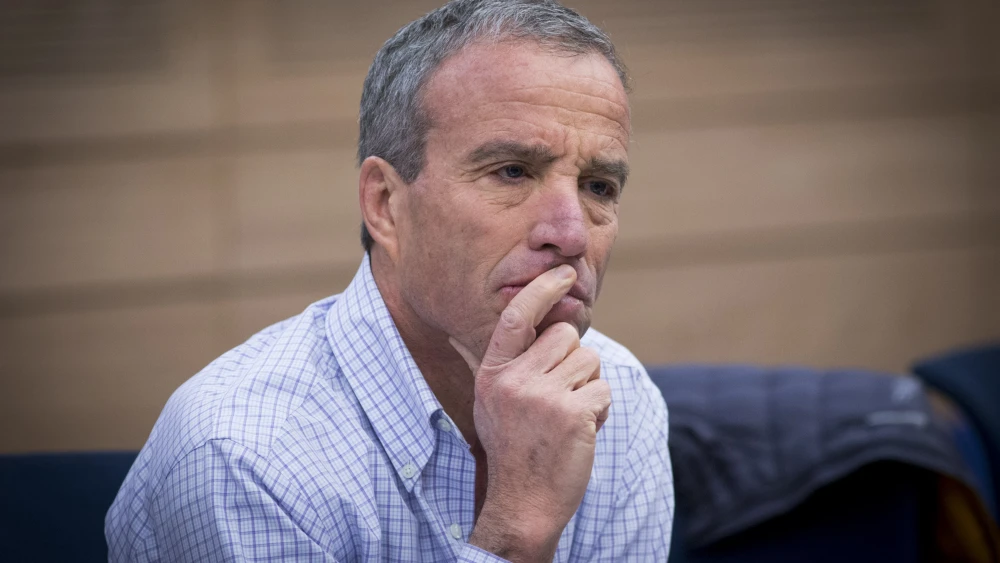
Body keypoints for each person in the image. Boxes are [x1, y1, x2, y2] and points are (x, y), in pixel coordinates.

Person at [106, 0, 674, 560]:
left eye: (599, 187)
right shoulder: (243, 454)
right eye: (511, 172)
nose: (571, 234)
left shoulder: (619, 399)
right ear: (384, 205)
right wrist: (517, 531)